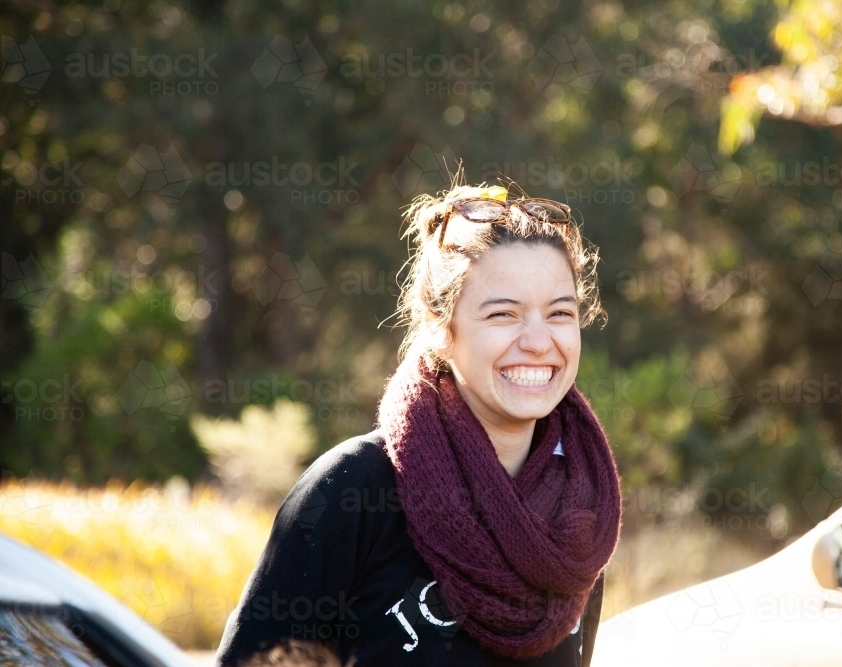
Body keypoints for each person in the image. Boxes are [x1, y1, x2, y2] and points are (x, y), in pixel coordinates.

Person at [216, 179, 623, 667]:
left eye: (560, 313)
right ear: (440, 328)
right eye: (502, 314)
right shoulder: (354, 491)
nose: (538, 341)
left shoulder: (580, 510)